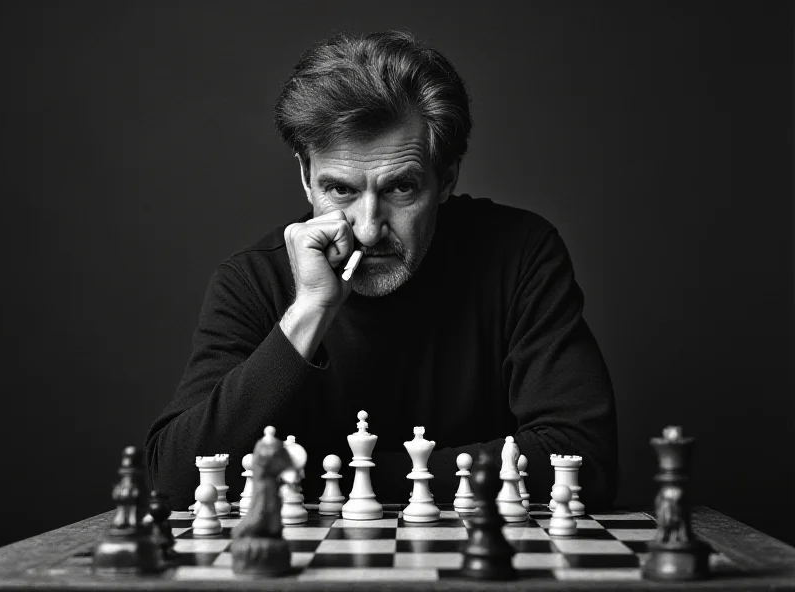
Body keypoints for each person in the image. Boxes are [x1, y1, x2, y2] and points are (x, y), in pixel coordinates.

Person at [145, 30, 618, 511]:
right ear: (307, 179)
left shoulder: (520, 255)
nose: (369, 230)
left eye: (400, 190)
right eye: (341, 191)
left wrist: (330, 478)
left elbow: (583, 459)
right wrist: (308, 313)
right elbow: (175, 482)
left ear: (447, 178)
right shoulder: (252, 281)